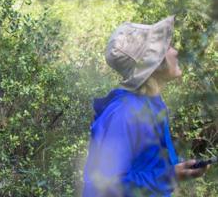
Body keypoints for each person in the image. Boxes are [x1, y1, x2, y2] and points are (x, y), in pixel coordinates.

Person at [83, 16, 209, 196]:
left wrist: (182, 169)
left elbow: (147, 163)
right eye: (167, 48)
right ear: (155, 64)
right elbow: (105, 186)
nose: (175, 52)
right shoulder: (124, 113)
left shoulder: (151, 104)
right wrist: (169, 176)